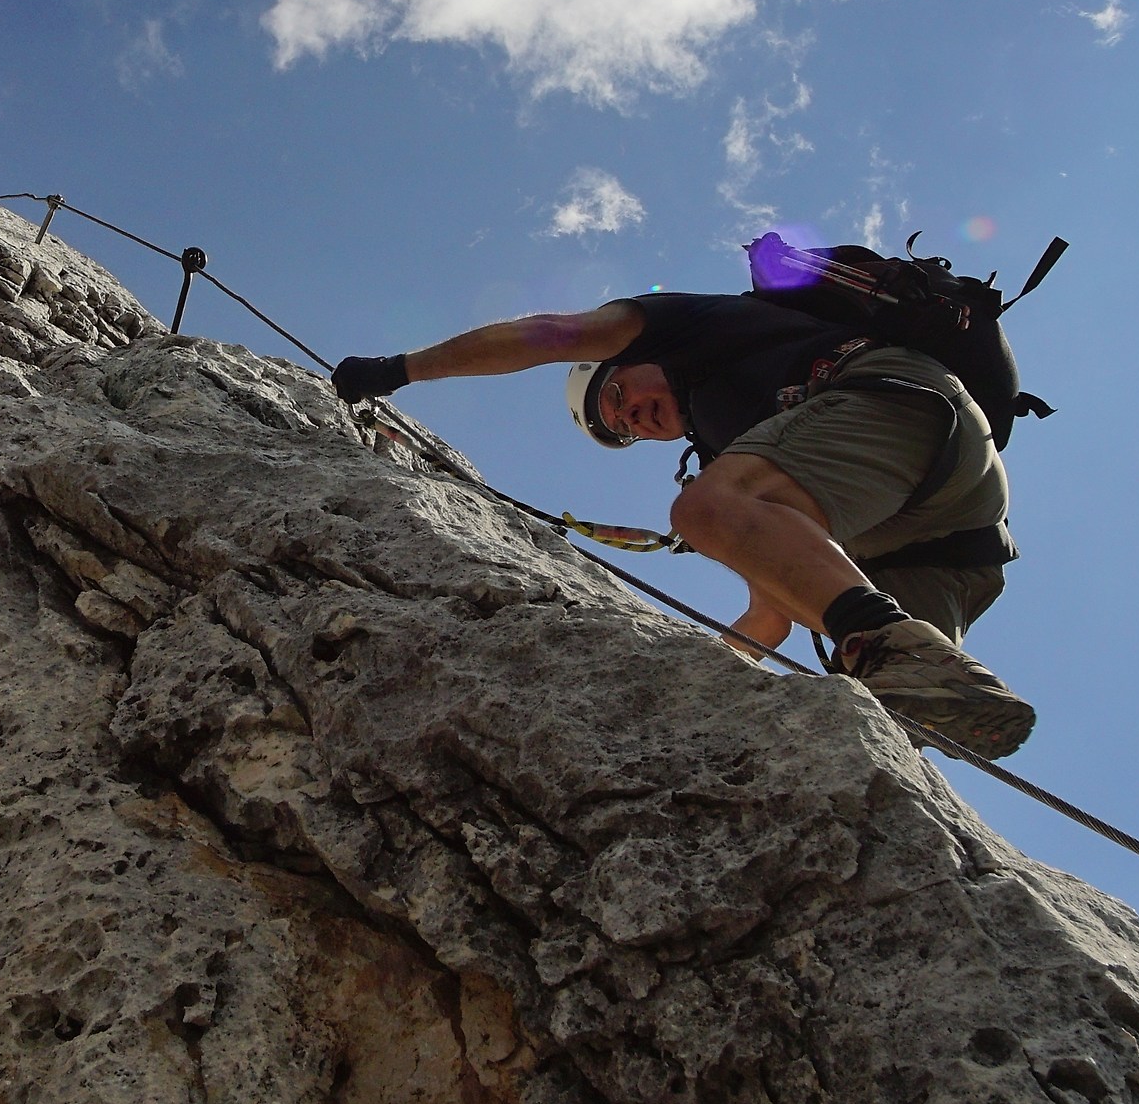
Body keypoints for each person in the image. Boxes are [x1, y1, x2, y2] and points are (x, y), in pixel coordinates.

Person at [330, 287, 1037, 757]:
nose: (629, 416)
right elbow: (774, 612)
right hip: (946, 537)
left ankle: (895, 646)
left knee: (706, 510)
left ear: (626, 359)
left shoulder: (681, 327)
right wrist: (692, 688)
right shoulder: (749, 454)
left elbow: (553, 332)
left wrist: (397, 370)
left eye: (617, 393)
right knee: (884, 728)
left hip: (897, 403)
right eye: (620, 430)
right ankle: (926, 677)